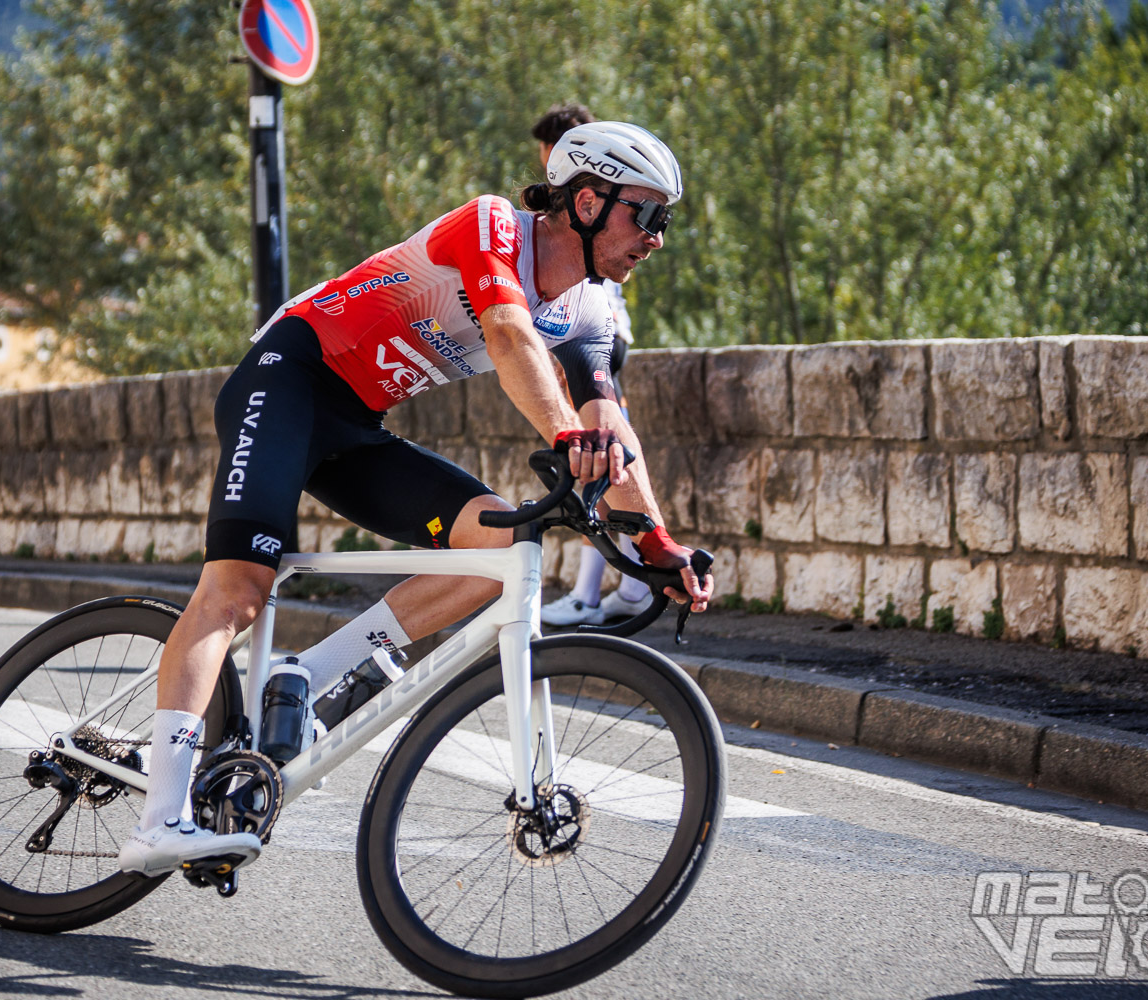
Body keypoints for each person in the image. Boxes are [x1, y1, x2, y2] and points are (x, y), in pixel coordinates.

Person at [117, 121, 714, 876]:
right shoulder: (494, 226)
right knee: (237, 593)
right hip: (287, 379)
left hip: (358, 425)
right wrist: (564, 436)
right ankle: (158, 820)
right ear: (588, 201)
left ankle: (306, 673)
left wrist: (654, 542)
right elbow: (506, 334)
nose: (658, 237)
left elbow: (609, 422)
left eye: (667, 221)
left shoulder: (589, 309)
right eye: (647, 215)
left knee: (500, 543)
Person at [531, 104, 655, 627]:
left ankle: (600, 591)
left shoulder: (593, 213)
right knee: (601, 457)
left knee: (597, 459)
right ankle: (619, 586)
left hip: (591, 339)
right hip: (605, 335)